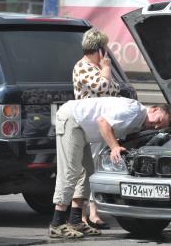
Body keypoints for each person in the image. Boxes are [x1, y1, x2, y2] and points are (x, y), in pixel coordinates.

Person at [49, 97, 171, 238]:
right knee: (70, 171)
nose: (156, 126)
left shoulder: (138, 122)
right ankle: (56, 224)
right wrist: (114, 147)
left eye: (160, 127)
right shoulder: (135, 111)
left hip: (82, 129)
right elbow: (103, 122)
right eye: (159, 121)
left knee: (87, 173)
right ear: (155, 109)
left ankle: (75, 221)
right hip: (72, 118)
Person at [73, 27, 120, 229]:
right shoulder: (83, 67)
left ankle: (94, 213)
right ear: (99, 49)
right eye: (105, 48)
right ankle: (81, 216)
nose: (107, 52)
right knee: (87, 170)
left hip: (102, 125)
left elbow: (115, 89)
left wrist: (105, 72)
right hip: (90, 126)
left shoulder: (99, 68)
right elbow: (102, 87)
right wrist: (107, 68)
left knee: (97, 168)